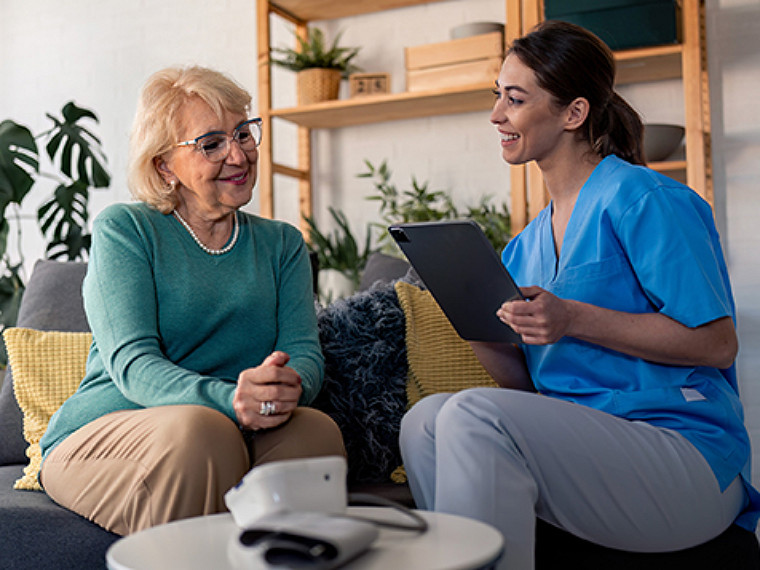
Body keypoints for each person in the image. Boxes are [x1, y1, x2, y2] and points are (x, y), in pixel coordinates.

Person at [399, 20, 760, 570]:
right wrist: (476, 322)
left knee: (471, 414)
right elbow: (526, 387)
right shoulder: (522, 247)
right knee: (425, 420)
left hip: (685, 454)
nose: (496, 115)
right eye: (497, 96)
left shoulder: (643, 198)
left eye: (515, 99)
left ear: (574, 113)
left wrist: (572, 318)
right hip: (589, 455)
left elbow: (717, 344)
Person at [38, 66, 346, 535]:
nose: (239, 154)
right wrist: (230, 400)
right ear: (165, 165)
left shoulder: (282, 244)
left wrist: (287, 388)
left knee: (314, 430)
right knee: (203, 431)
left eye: (244, 133)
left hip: (232, 423)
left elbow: (304, 352)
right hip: (111, 429)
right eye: (211, 144)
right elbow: (132, 364)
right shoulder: (127, 230)